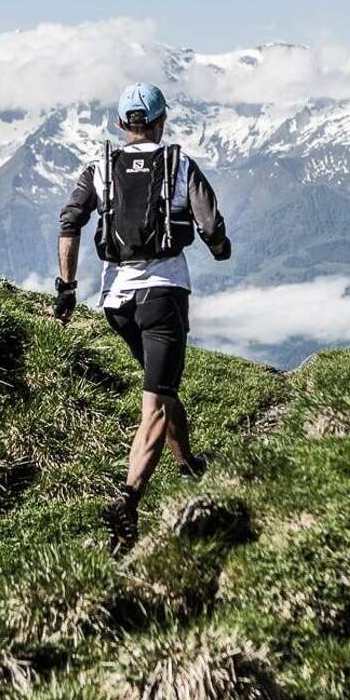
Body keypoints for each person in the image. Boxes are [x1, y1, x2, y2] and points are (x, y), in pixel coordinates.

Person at [54, 82, 232, 556]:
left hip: (117, 303)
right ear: (162, 119)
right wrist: (220, 249)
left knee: (161, 387)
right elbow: (211, 226)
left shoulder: (99, 169)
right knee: (154, 401)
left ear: (121, 125)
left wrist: (66, 288)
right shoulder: (179, 164)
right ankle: (127, 505)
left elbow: (69, 222)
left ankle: (189, 463)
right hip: (164, 296)